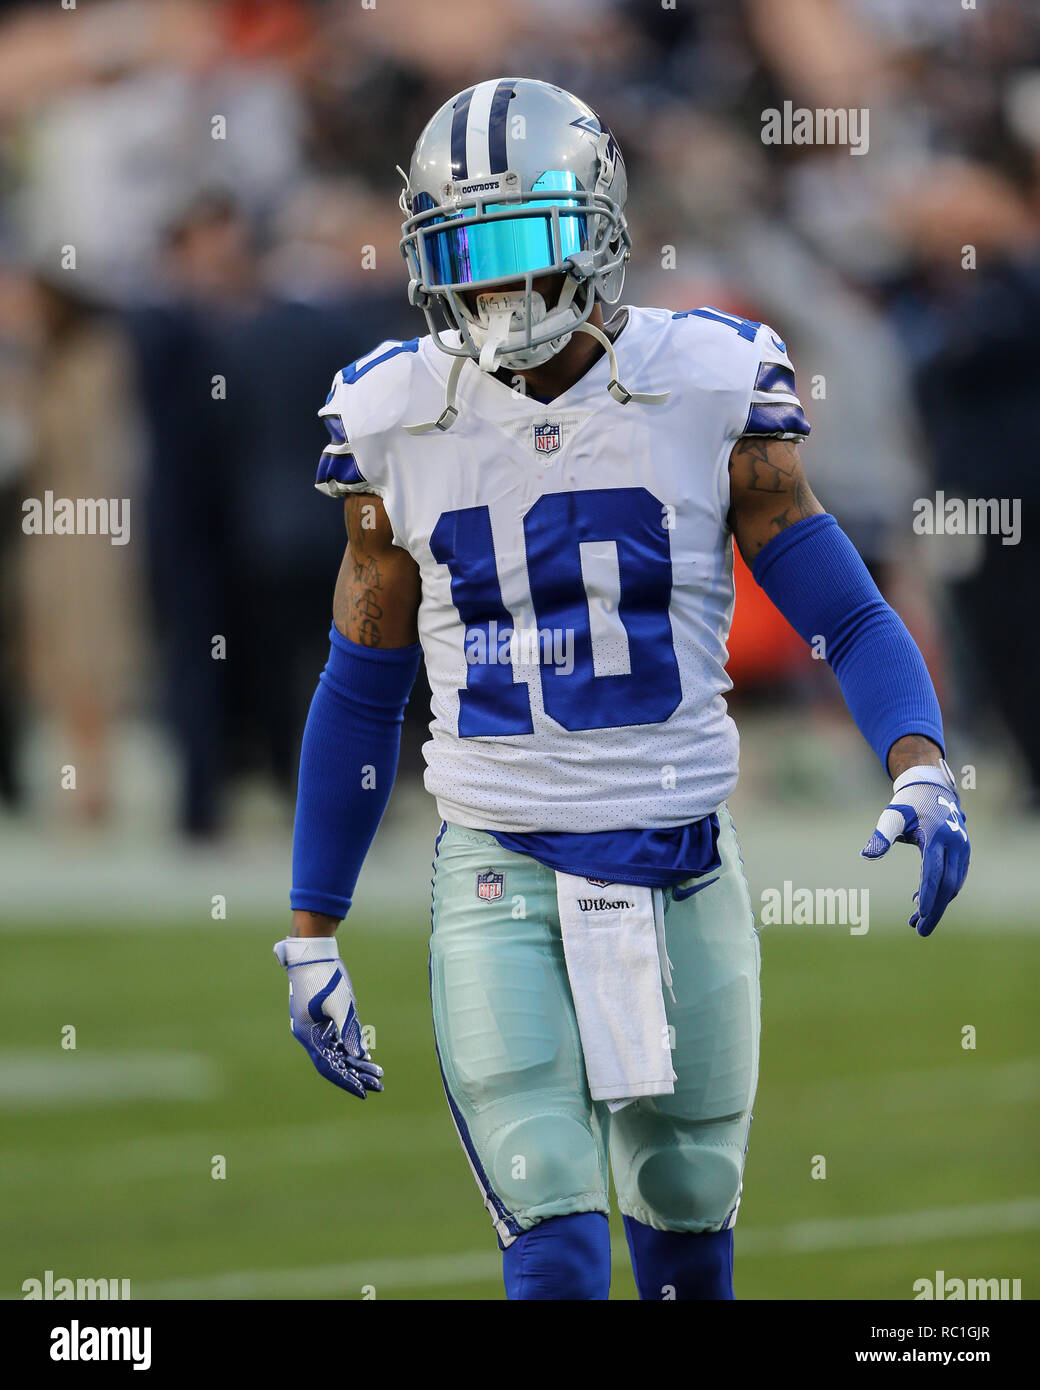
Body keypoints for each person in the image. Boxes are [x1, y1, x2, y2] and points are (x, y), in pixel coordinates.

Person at [274, 79, 970, 1300]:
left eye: (515, 244)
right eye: (459, 251)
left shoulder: (705, 380)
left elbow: (844, 609)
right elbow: (362, 679)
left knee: (689, 1222)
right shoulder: (394, 413)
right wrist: (310, 924)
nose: (490, 285)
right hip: (501, 858)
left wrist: (918, 758)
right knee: (551, 1229)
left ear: (596, 227)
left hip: (683, 851)